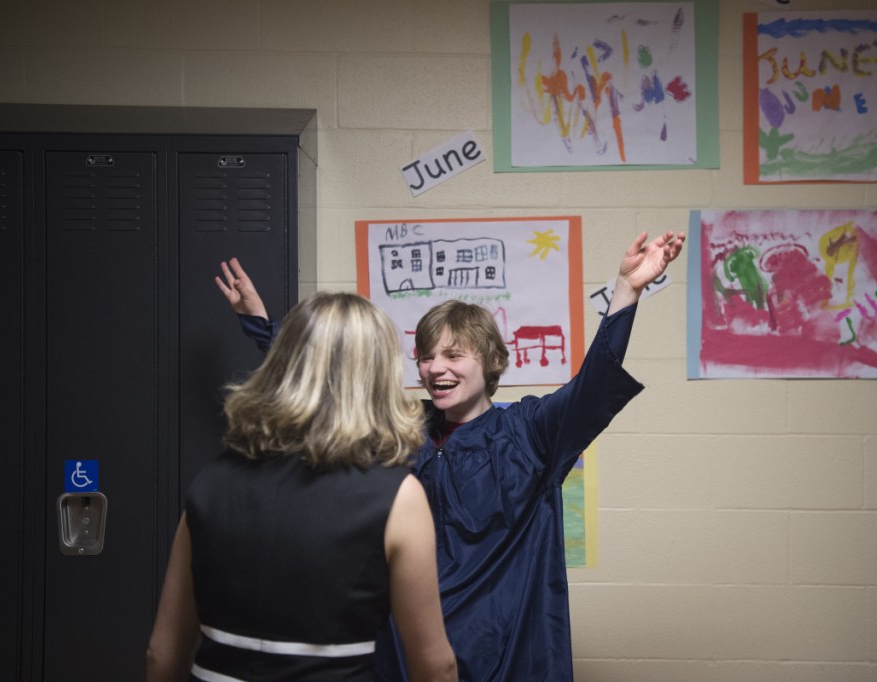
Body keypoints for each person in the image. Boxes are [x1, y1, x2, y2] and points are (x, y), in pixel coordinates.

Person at [215, 230, 685, 681]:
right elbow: (331, 393)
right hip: (408, 651)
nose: (435, 368)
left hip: (506, 651)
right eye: (426, 356)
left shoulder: (531, 432)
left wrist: (627, 289)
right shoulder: (402, 428)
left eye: (454, 355)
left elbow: (594, 383)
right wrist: (264, 327)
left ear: (491, 361)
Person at [146, 292, 458, 682]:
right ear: (377, 377)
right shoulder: (399, 498)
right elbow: (435, 667)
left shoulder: (212, 481)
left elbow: (162, 654)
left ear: (282, 366)